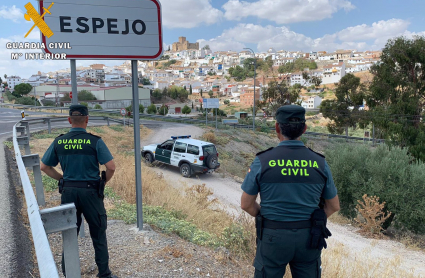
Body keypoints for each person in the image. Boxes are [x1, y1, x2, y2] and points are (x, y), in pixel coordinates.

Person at [241, 105, 340, 278]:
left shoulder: (262, 161)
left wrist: (266, 215)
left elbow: (246, 204)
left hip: (273, 236)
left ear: (277, 128)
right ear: (304, 128)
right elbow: (333, 206)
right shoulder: (320, 163)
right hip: (309, 237)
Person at [40, 105, 117, 278]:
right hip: (91, 193)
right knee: (98, 234)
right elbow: (111, 167)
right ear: (87, 119)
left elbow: (44, 167)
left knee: (69, 234)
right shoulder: (95, 141)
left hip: (68, 192)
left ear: (69, 120)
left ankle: (69, 273)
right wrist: (103, 181)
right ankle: (104, 274)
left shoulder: (59, 141)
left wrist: (62, 179)